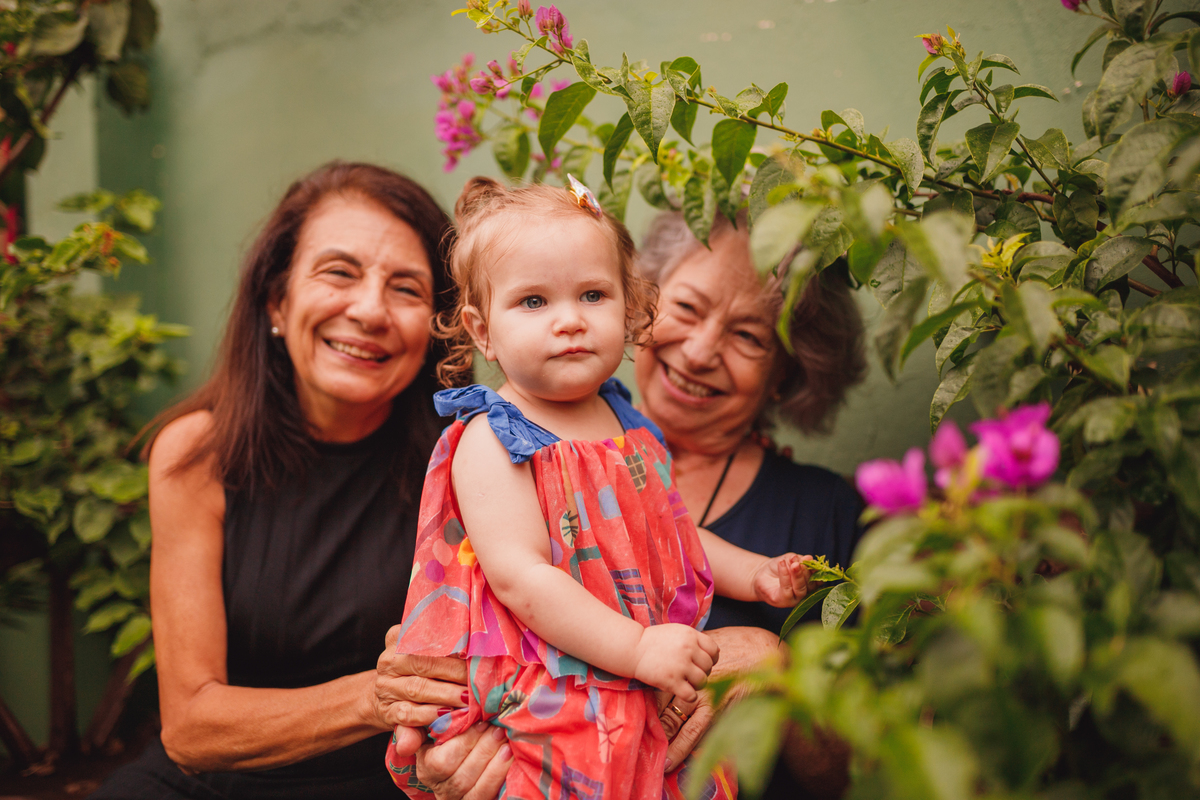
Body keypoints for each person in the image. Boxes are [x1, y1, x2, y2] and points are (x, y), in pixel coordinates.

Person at [89, 162, 511, 800]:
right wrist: (375, 695)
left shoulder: (474, 459)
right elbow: (191, 727)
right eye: (339, 272)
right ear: (277, 302)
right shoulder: (195, 455)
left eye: (406, 288)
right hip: (215, 784)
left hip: (399, 783)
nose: (369, 310)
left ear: (438, 328)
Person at [384, 177, 812, 800]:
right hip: (555, 690)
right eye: (533, 302)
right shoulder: (493, 437)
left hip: (637, 680)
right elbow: (522, 578)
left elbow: (671, 529)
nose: (569, 322)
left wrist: (758, 575)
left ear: (631, 306)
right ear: (482, 330)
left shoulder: (623, 419)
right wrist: (638, 647)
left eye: (593, 294)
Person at [634, 209, 868, 798]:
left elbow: (862, 778)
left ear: (785, 374)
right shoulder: (542, 463)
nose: (699, 351)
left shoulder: (830, 516)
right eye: (686, 308)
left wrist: (779, 671)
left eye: (749, 336)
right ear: (641, 304)